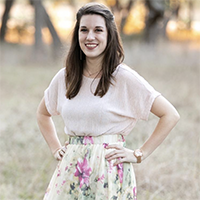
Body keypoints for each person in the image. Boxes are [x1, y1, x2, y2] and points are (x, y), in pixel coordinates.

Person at [36, 2, 180, 200]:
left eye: (98, 30)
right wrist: (55, 148)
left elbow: (170, 115)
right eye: (84, 30)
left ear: (109, 35)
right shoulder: (65, 77)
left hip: (108, 172)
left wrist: (139, 154)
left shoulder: (123, 77)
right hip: (71, 171)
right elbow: (43, 113)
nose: (90, 37)